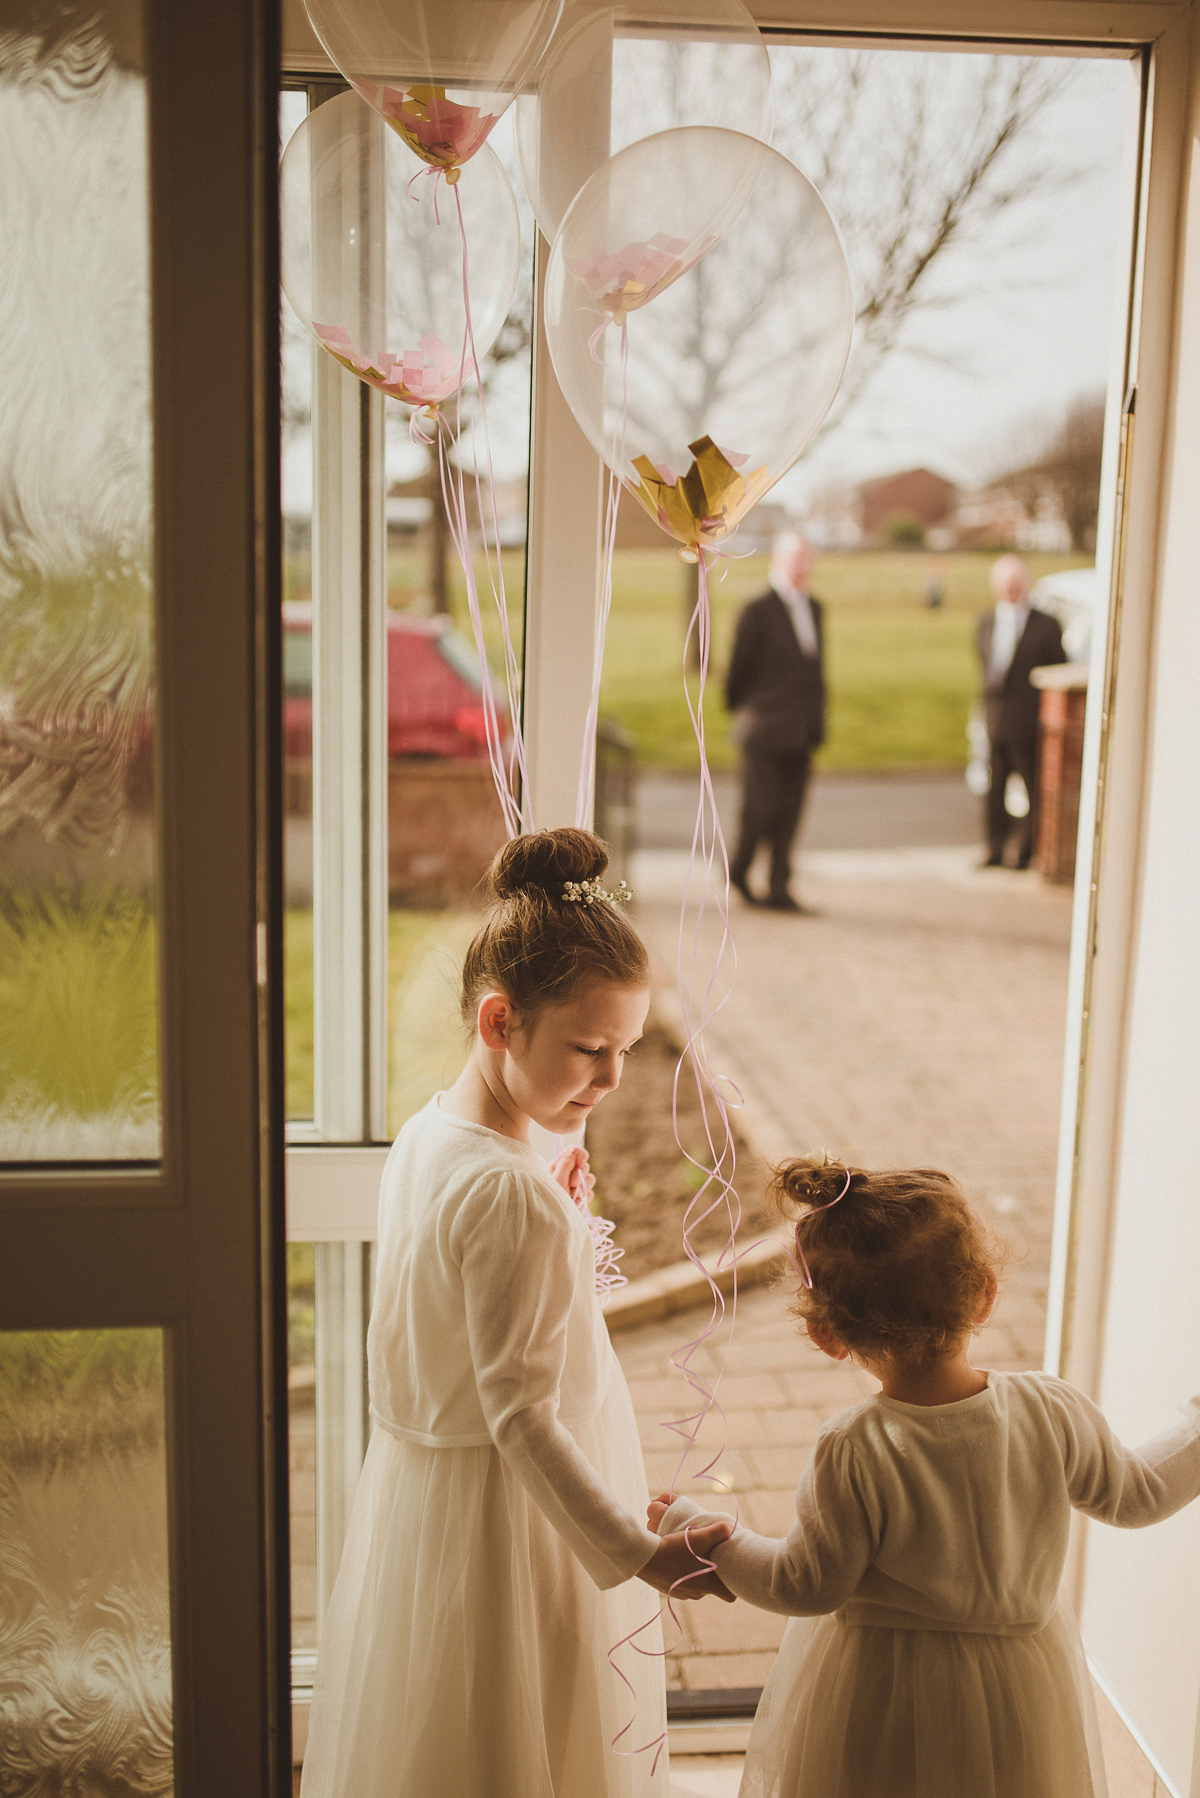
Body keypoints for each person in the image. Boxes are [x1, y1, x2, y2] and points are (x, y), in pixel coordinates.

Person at [300, 828, 734, 1798]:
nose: (613, 1078)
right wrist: (638, 1553)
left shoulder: (428, 1132)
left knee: (443, 1727)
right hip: (512, 1516)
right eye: (591, 1048)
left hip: (425, 1490)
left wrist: (551, 1186)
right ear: (501, 1022)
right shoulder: (515, 1193)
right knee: (524, 1718)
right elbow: (521, 1411)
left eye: (627, 1048)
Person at [651, 1156, 1200, 1798]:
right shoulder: (1051, 1410)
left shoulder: (854, 1446)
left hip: (883, 1691)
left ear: (826, 1335)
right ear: (985, 1294)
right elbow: (1140, 1497)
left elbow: (803, 1585)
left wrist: (706, 1537)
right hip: (1020, 1682)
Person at [726, 532, 826, 914]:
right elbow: (737, 672)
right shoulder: (757, 608)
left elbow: (815, 671)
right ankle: (739, 870)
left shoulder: (815, 607)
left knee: (791, 811)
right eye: (795, 558)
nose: (802, 566)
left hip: (803, 729)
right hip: (764, 728)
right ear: (778, 561)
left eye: (807, 559)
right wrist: (751, 712)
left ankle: (779, 885)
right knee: (759, 808)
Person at [978, 553, 1065, 868]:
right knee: (994, 787)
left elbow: (1057, 670)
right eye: (1004, 583)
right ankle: (994, 848)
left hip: (1029, 720)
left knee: (1031, 787)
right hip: (995, 718)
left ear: (1025, 585)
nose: (1010, 589)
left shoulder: (1046, 624)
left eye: (1015, 583)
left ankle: (1026, 850)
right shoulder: (987, 620)